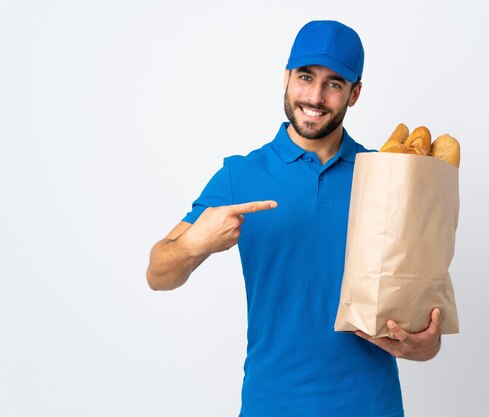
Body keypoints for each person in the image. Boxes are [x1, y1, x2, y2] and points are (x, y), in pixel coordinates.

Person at [147, 20, 442, 417]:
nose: (315, 96)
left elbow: (417, 306)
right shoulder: (240, 176)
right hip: (272, 403)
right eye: (305, 77)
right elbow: (158, 274)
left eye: (334, 83)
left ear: (354, 94)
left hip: (371, 404)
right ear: (286, 78)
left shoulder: (388, 177)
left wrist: (425, 344)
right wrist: (196, 242)